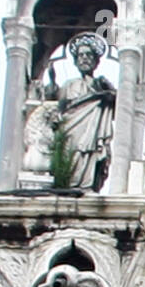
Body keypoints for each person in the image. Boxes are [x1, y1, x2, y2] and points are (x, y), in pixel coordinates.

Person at [45, 33, 115, 191]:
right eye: (81, 55)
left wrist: (107, 91)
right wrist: (51, 82)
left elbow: (117, 103)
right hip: (71, 130)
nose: (84, 58)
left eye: (89, 55)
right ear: (76, 61)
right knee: (71, 155)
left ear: (96, 61)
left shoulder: (100, 84)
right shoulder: (69, 85)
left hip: (92, 131)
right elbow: (56, 105)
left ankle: (87, 186)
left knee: (88, 155)